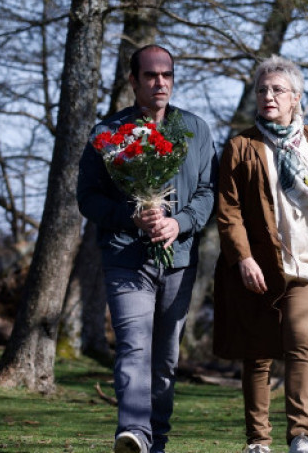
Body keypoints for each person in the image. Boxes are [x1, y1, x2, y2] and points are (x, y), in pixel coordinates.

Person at [213, 55, 308, 453]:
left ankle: (300, 436)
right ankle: (258, 442)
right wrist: (242, 258)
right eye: (262, 89)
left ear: (296, 97)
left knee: (299, 344)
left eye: (277, 89)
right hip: (259, 266)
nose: (268, 96)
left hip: (307, 261)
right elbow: (228, 211)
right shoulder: (241, 146)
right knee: (258, 353)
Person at [77, 44, 218, 453]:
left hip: (179, 260)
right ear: (133, 80)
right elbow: (87, 198)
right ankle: (134, 432)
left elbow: (209, 191)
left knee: (165, 359)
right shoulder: (106, 135)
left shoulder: (196, 129)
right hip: (125, 256)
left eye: (167, 75)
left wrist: (179, 223)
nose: (160, 82)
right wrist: (130, 217)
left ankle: (156, 439)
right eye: (151, 75)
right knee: (133, 345)